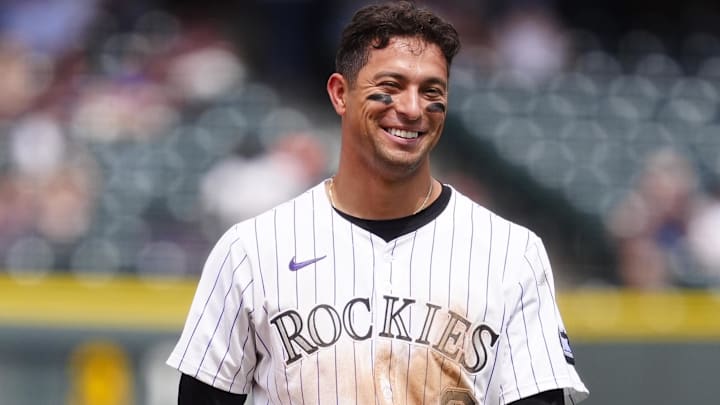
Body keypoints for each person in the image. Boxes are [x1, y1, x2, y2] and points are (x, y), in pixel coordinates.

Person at [166, 2, 589, 404]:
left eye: (431, 90)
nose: (411, 108)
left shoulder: (512, 253)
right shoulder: (251, 249)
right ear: (339, 94)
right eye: (390, 86)